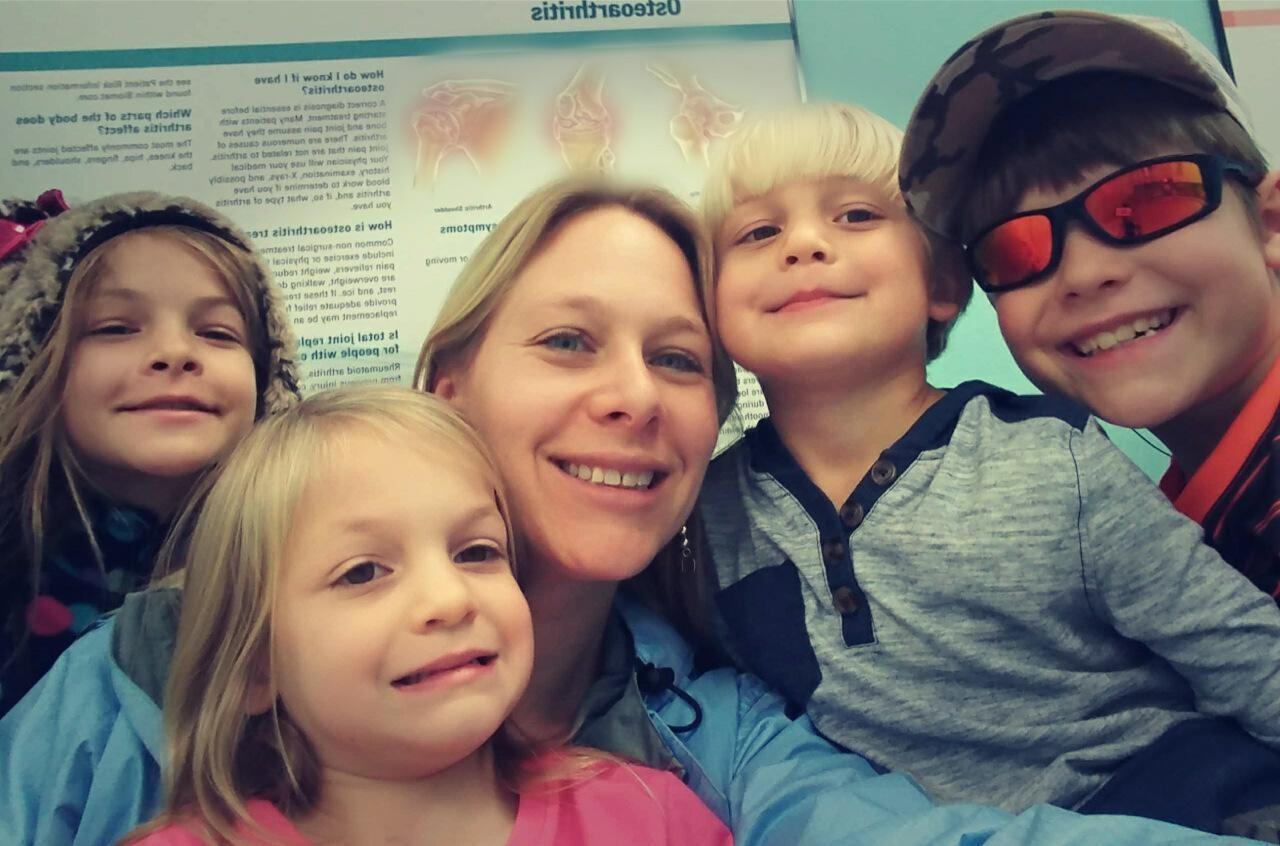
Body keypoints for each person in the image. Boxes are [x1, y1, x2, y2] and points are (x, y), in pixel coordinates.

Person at [0, 177, 1254, 846]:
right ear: (447, 388)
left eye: (677, 359)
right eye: (566, 341)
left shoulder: (703, 731)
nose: (633, 398)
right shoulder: (138, 683)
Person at [696, 101, 1280, 836]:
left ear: (943, 285)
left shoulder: (1053, 457)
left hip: (1181, 798)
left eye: (855, 216)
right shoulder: (702, 516)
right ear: (709, 306)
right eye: (759, 232)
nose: (804, 244)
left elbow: (1244, 654)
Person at [123, 385, 731, 846]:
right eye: (363, 571)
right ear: (257, 666)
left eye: (477, 553)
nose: (449, 599)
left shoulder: (652, 818)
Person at [898, 11, 1280, 605]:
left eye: (1146, 202)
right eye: (1014, 249)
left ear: (1271, 224)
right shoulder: (1184, 531)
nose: (1083, 273)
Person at [0, 190, 299, 714]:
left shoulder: (297, 561)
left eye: (217, 333)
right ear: (31, 361)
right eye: (115, 328)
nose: (176, 353)